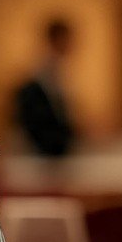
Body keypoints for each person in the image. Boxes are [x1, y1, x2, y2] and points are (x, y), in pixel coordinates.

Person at [14, 18, 77, 157]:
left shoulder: (59, 69)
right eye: (66, 39)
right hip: (45, 147)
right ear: (56, 39)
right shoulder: (44, 71)